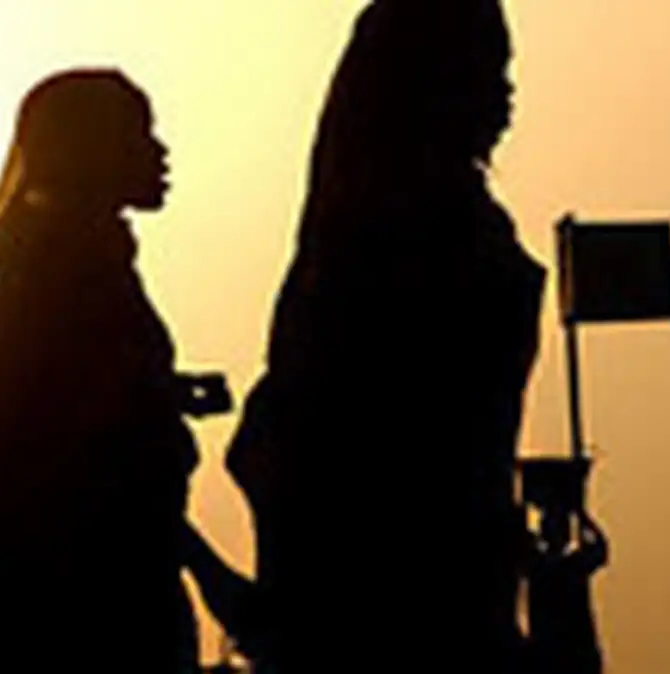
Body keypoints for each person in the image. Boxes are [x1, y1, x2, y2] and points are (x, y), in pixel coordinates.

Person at [224, 1, 545, 671]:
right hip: (404, 591)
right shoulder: (395, 241)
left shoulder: (431, 222)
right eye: (486, 71)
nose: (506, 93)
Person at [0, 69, 229, 673]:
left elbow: (75, 393)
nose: (160, 152)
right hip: (78, 603)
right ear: (90, 148)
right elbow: (84, 455)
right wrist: (217, 579)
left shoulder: (68, 258)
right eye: (138, 133)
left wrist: (164, 391)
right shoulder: (66, 264)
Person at [523, 508, 607, 674]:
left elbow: (600, 550)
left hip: (550, 653)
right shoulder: (573, 565)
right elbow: (600, 549)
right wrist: (581, 515)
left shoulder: (540, 565)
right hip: (570, 652)